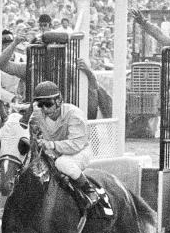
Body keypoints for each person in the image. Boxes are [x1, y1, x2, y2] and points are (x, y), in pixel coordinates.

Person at [29, 80, 113, 217]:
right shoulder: (38, 114)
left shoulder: (74, 114)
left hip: (79, 152)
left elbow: (76, 144)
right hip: (54, 153)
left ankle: (90, 192)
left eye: (48, 104)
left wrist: (52, 145)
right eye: (40, 104)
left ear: (58, 101)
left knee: (62, 163)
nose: (44, 109)